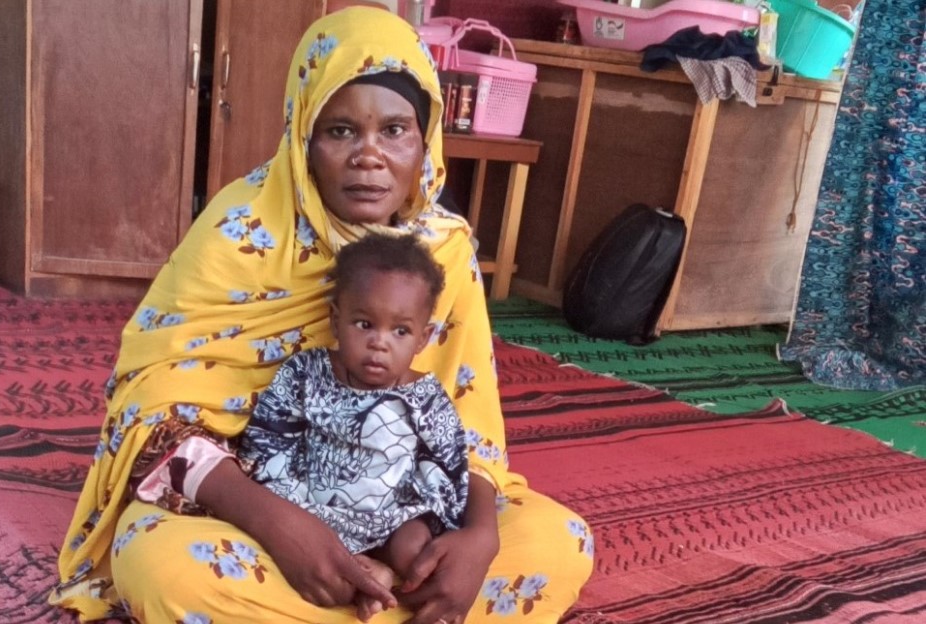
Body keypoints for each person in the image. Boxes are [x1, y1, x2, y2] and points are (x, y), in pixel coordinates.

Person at [52, 7, 594, 624]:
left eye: (395, 131)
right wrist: (280, 525)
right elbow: (156, 416)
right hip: (257, 505)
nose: (369, 155)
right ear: (301, 135)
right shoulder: (242, 232)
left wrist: (479, 540)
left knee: (561, 542)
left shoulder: (443, 252)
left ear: (426, 143)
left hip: (409, 512)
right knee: (160, 564)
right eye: (340, 131)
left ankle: (377, 596)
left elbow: (466, 425)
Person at [239, 232, 469, 622]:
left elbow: (447, 463)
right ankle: (360, 572)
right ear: (336, 320)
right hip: (313, 507)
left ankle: (391, 583)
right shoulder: (306, 374)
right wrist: (288, 499)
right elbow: (269, 440)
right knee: (289, 547)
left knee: (416, 548)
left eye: (400, 331)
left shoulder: (425, 396)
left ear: (423, 338)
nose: (379, 343)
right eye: (364, 324)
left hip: (393, 517)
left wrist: (429, 516)